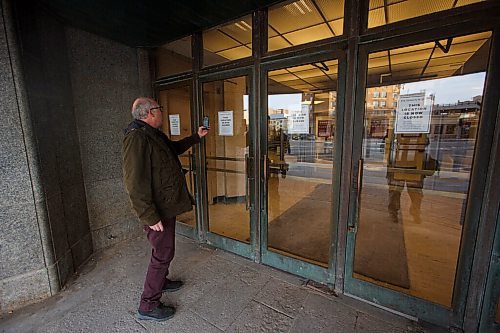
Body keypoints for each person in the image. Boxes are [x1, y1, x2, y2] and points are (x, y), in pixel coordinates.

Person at [122, 97, 208, 321]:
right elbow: (134, 182)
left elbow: (174, 149)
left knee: (164, 250)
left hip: (164, 206)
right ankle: (148, 304)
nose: (162, 111)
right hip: (156, 212)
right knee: (162, 253)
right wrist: (149, 216)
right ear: (150, 112)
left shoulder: (152, 135)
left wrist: (196, 137)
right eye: (159, 109)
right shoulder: (136, 138)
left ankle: (162, 280)